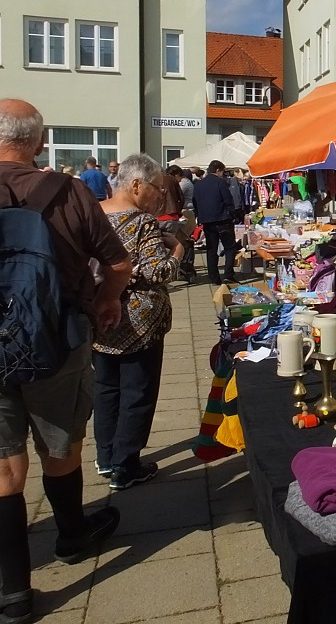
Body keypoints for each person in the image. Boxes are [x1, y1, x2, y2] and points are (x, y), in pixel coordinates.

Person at [0, 99, 132, 623]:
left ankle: (13, 593)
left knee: (5, 466)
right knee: (62, 444)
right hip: (56, 338)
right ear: (39, 140)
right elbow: (118, 262)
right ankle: (72, 535)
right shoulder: (69, 191)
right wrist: (107, 299)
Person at [94, 155, 184, 490]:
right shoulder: (142, 223)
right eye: (157, 189)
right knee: (137, 392)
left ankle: (105, 457)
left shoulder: (93, 214)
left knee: (105, 390)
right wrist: (178, 251)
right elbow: (157, 271)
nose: (160, 196)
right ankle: (125, 464)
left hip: (99, 318)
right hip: (137, 322)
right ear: (136, 185)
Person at [192, 159, 239, 285]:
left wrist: (200, 216)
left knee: (211, 249)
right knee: (230, 247)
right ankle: (228, 274)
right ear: (218, 170)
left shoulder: (198, 184)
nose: (222, 174)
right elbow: (228, 200)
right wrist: (233, 214)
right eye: (222, 172)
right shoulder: (220, 182)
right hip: (223, 219)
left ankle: (214, 278)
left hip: (207, 221)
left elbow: (195, 202)